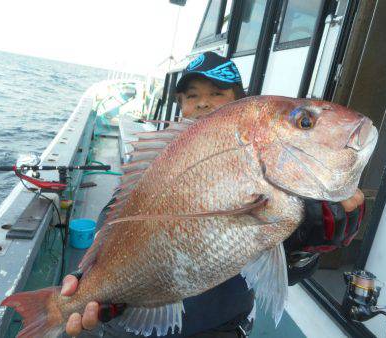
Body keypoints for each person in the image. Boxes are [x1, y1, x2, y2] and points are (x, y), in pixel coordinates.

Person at [62, 52, 365, 337]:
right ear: (181, 105)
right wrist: (89, 277)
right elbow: (116, 215)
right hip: (135, 315)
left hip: (219, 326)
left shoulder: (280, 180)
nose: (203, 104)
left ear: (239, 102)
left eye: (217, 93)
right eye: (192, 96)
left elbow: (280, 271)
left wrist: (303, 250)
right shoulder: (162, 158)